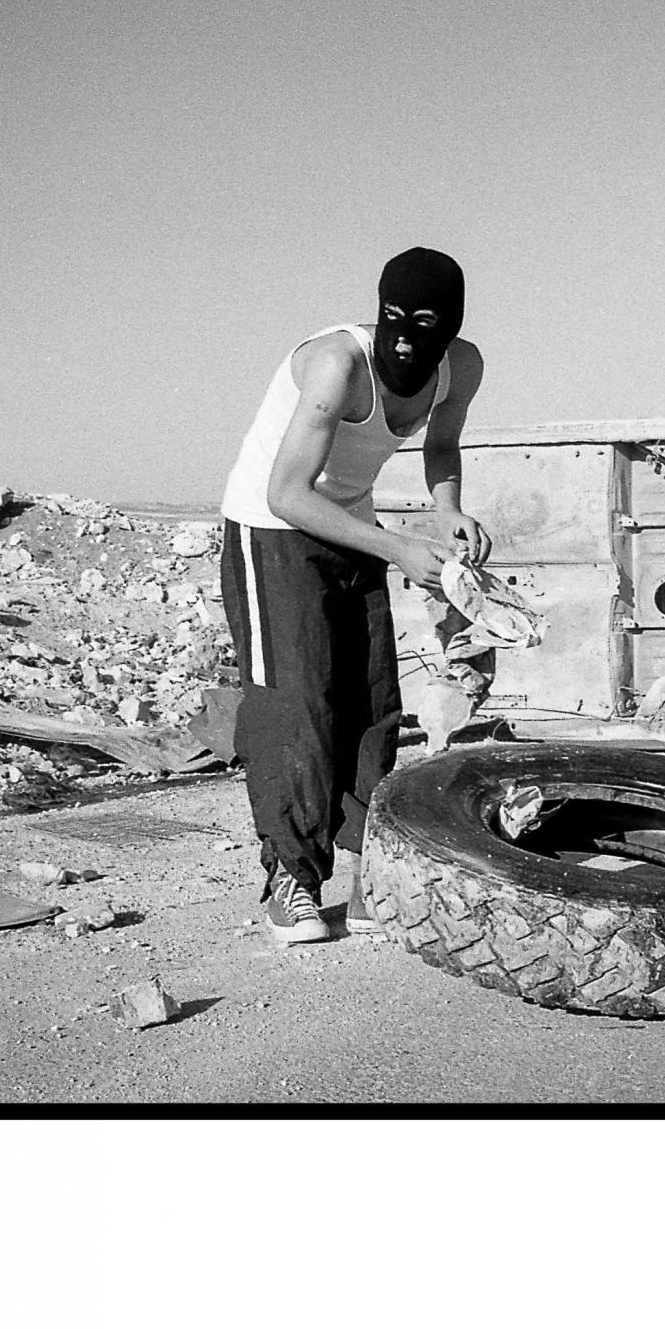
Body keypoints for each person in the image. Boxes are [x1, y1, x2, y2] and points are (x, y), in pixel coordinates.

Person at [218, 247, 489, 945]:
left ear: (450, 327)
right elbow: (288, 492)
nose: (403, 336)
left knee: (371, 701)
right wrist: (399, 546)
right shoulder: (337, 364)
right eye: (391, 317)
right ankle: (291, 880)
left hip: (350, 523)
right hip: (272, 526)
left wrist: (448, 508)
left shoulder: (464, 368)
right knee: (297, 702)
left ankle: (372, 871)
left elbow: (443, 445)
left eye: (424, 324)